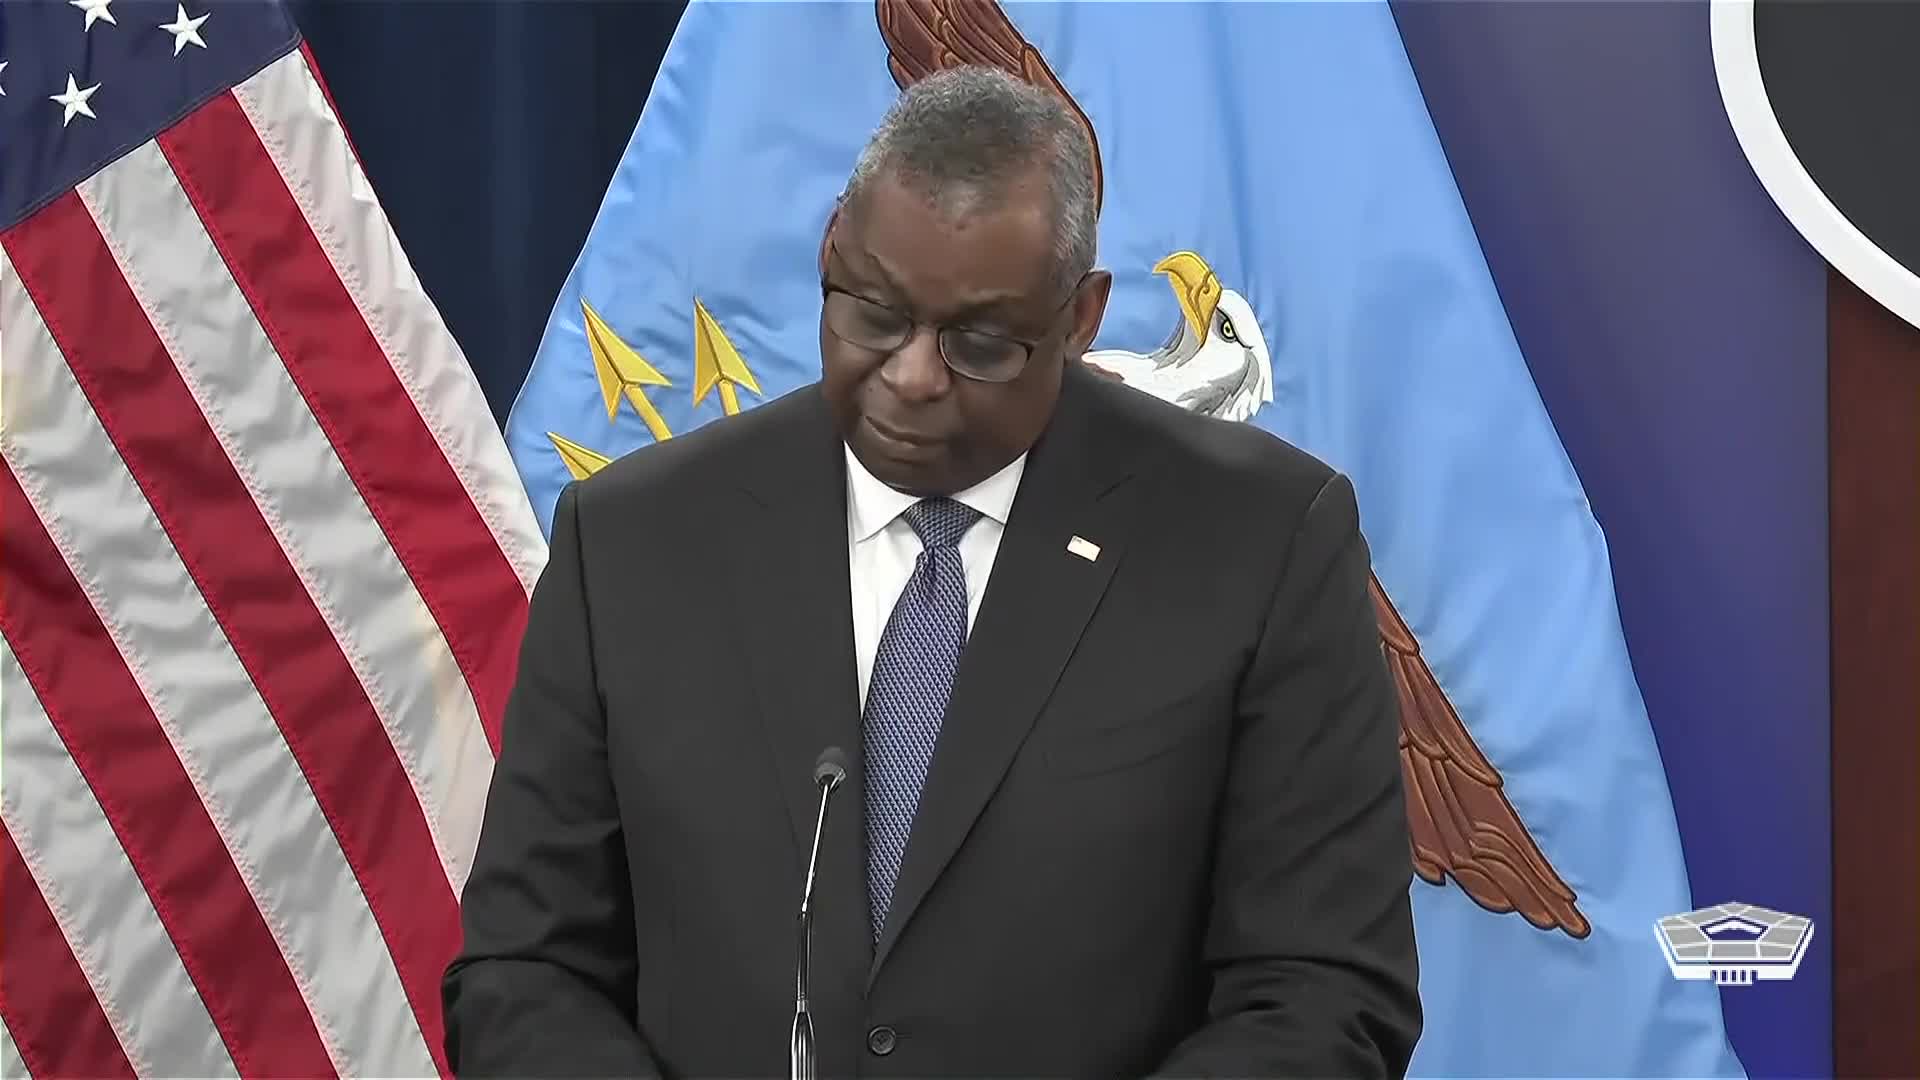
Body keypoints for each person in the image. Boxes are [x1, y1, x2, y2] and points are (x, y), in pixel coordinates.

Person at [443, 65, 1422, 1078]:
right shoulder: (634, 540)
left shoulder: (1259, 543)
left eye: (981, 343)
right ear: (830, 249)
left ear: (1081, 319)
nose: (911, 377)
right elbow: (526, 970)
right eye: (872, 314)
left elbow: (1325, 994)